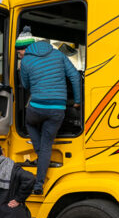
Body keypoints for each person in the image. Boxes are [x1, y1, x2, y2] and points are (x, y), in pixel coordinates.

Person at [20, 40, 81, 195]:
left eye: (19, 52)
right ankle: (39, 184)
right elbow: (74, 76)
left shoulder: (26, 60)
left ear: (26, 49)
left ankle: (41, 157)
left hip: (37, 107)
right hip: (57, 109)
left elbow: (25, 85)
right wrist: (77, 101)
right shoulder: (59, 55)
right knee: (47, 144)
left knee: (30, 124)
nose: (19, 54)